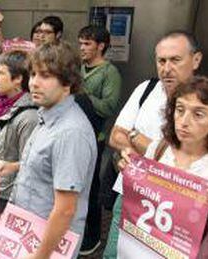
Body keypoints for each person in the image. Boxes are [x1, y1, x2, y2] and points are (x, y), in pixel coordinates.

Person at [104, 30, 203, 257]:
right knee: (114, 254)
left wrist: (136, 137)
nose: (166, 68)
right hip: (130, 194)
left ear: (196, 60)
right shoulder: (146, 89)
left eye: (175, 60)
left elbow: (185, 157)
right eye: (161, 61)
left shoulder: (206, 102)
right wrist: (130, 150)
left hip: (179, 209)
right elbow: (115, 135)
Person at [0, 41, 97, 258]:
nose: (34, 83)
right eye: (32, 74)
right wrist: (14, 166)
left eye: (46, 76)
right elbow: (50, 166)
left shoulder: (70, 132)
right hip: (29, 231)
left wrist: (40, 255)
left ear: (68, 83)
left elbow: (65, 209)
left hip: (47, 245)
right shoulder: (47, 115)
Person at [117, 76, 208, 258]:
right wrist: (132, 171)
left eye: (198, 114)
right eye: (180, 110)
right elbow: (143, 196)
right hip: (146, 247)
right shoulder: (160, 147)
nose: (184, 121)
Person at [0, 50, 38, 257]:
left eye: (0, 73)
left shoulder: (29, 116)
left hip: (7, 195)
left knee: (3, 247)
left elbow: (28, 164)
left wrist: (14, 203)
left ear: (18, 79)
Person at [77, 25, 122, 255]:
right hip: (75, 135)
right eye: (81, 43)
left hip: (95, 137)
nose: (82, 48)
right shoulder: (80, 68)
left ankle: (92, 236)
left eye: (87, 43)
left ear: (101, 45)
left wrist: (84, 94)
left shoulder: (109, 73)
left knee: (91, 188)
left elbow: (109, 107)